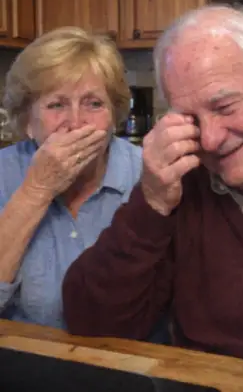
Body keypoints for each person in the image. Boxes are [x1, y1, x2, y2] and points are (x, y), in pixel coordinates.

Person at [63, 4, 243, 368]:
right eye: (189, 118)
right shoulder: (180, 177)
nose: (209, 139)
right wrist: (152, 202)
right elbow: (92, 323)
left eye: (223, 106)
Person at [0, 26, 143, 329]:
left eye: (94, 104)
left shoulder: (147, 175)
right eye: (56, 105)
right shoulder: (4, 173)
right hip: (28, 365)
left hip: (133, 366)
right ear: (27, 122)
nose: (77, 123)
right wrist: (36, 190)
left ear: (114, 116)